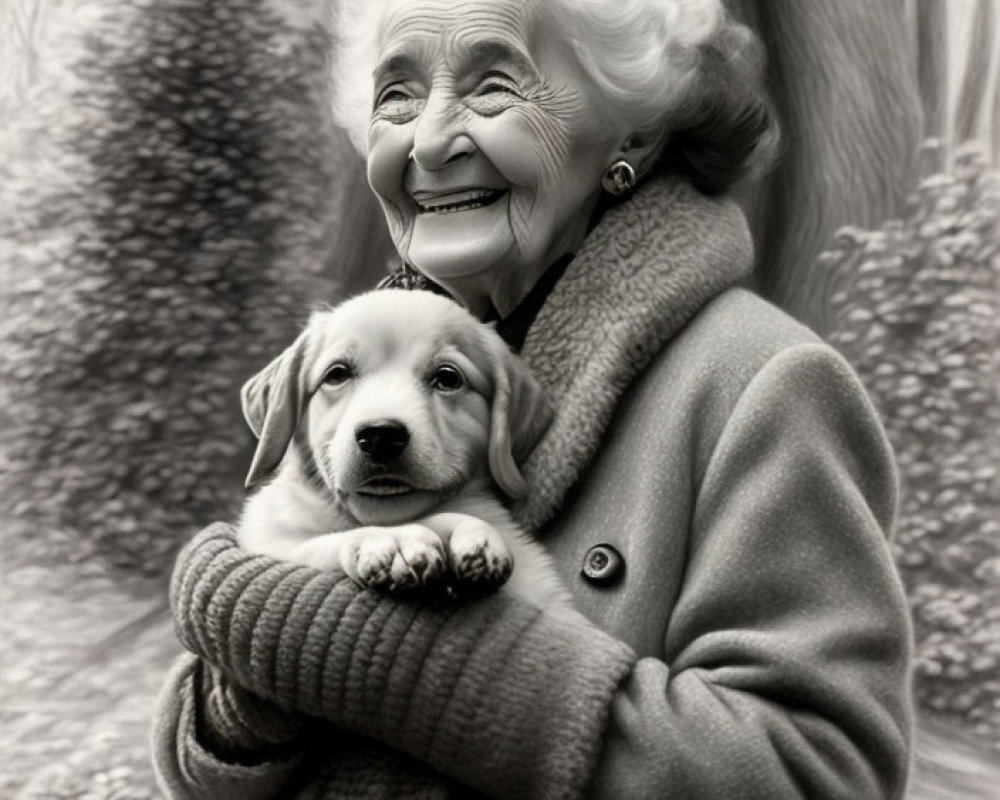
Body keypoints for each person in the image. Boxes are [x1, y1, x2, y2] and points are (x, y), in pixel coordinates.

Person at [152, 0, 914, 797]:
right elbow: (204, 766)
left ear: (634, 129)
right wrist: (261, 671)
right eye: (397, 97)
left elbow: (818, 773)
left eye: (493, 87)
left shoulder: (764, 381)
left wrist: (388, 650)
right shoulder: (366, 361)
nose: (432, 141)